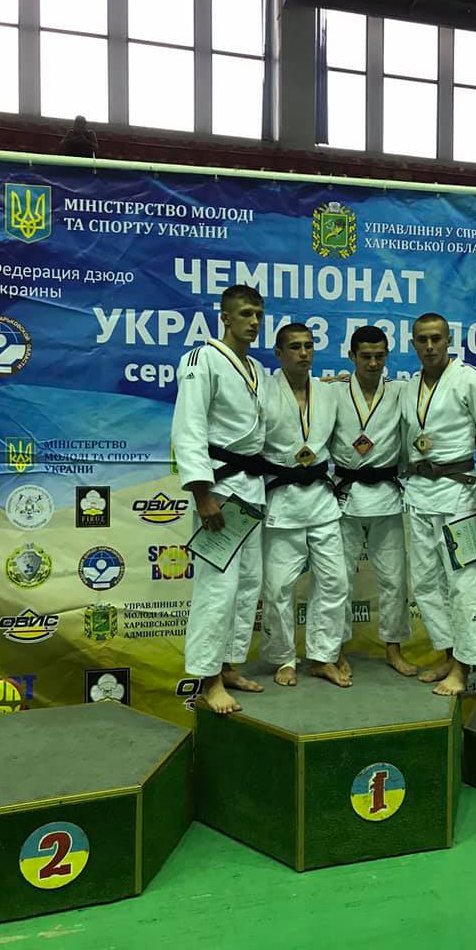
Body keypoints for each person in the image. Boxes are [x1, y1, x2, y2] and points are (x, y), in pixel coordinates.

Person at [171, 284, 267, 715]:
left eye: (258, 314)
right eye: (245, 313)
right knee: (217, 587)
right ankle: (207, 679)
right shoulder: (201, 360)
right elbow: (188, 428)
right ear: (225, 317)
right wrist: (201, 494)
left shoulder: (256, 368)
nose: (254, 321)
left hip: (251, 490)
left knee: (246, 584)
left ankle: (228, 666)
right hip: (219, 490)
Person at [403, 313, 476, 696]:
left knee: (462, 584)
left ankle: (464, 668)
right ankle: (449, 655)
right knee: (425, 583)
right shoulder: (408, 387)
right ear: (413, 343)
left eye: (436, 338)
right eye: (422, 339)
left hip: (461, 496)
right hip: (418, 494)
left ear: (449, 340)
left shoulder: (473, 380)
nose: (430, 346)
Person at [261, 323, 350, 688]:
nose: (303, 353)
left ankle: (322, 656)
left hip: (321, 500)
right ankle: (284, 657)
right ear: (279, 353)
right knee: (278, 587)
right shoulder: (263, 390)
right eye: (295, 347)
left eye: (309, 346)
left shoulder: (328, 392)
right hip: (282, 500)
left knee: (335, 581)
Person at [328, 325, 415, 677]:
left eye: (380, 356)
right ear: (351, 356)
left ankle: (393, 648)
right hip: (345, 496)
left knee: (394, 578)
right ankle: (335, 649)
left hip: (387, 496)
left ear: (387, 356)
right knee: (338, 579)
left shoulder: (401, 391)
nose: (373, 363)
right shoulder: (332, 391)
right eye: (365, 356)